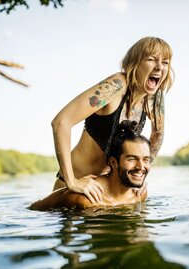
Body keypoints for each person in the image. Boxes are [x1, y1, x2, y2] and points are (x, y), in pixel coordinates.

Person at [52, 36, 174, 204]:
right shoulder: (116, 86)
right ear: (135, 63)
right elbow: (61, 122)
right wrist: (72, 181)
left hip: (108, 192)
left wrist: (139, 174)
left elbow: (158, 135)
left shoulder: (154, 99)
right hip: (74, 188)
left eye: (165, 62)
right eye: (151, 59)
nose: (159, 67)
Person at [30, 120, 151, 210]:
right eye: (132, 159)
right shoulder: (86, 200)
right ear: (114, 163)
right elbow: (35, 211)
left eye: (146, 160)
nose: (141, 167)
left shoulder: (140, 194)